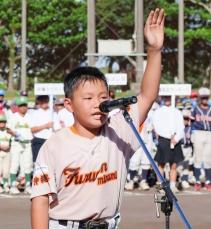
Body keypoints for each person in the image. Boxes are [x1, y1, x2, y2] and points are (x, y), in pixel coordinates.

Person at [31, 8, 165, 229]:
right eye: (88, 98)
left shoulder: (120, 130)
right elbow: (40, 201)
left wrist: (154, 49)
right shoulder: (54, 146)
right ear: (68, 105)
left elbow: (147, 96)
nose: (98, 103)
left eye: (103, 97)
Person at [152, 96, 184, 193]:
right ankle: (161, 185)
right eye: (165, 98)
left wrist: (176, 138)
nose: (167, 100)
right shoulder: (158, 111)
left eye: (169, 98)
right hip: (163, 139)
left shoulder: (177, 112)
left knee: (173, 165)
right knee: (161, 164)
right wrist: (160, 135)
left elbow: (181, 126)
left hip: (175, 139)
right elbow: (155, 125)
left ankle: (172, 185)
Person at [7, 96, 33, 194]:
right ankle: (13, 185)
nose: (23, 108)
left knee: (28, 165)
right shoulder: (13, 116)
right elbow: (8, 129)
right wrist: (16, 134)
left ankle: (27, 186)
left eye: (25, 105)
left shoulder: (30, 116)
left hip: (27, 143)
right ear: (18, 107)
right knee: (14, 164)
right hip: (17, 143)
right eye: (21, 106)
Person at [191, 87, 211, 191]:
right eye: (203, 98)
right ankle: (198, 181)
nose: (204, 100)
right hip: (198, 133)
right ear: (199, 98)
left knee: (208, 159)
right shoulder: (195, 109)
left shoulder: (210, 108)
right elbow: (190, 122)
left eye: (206, 98)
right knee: (198, 158)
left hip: (209, 133)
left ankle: (208, 181)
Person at [30, 95, 60, 163]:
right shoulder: (35, 113)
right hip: (39, 141)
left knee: (51, 162)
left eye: (46, 100)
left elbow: (58, 129)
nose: (44, 102)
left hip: (51, 140)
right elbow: (32, 129)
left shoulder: (53, 113)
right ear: (39, 102)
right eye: (42, 100)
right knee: (38, 163)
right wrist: (45, 126)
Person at [0, 111, 12, 193]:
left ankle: (5, 184)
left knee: (6, 170)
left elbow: (11, 141)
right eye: (0, 122)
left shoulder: (8, 131)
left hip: (7, 152)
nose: (2, 124)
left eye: (3, 122)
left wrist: (9, 146)